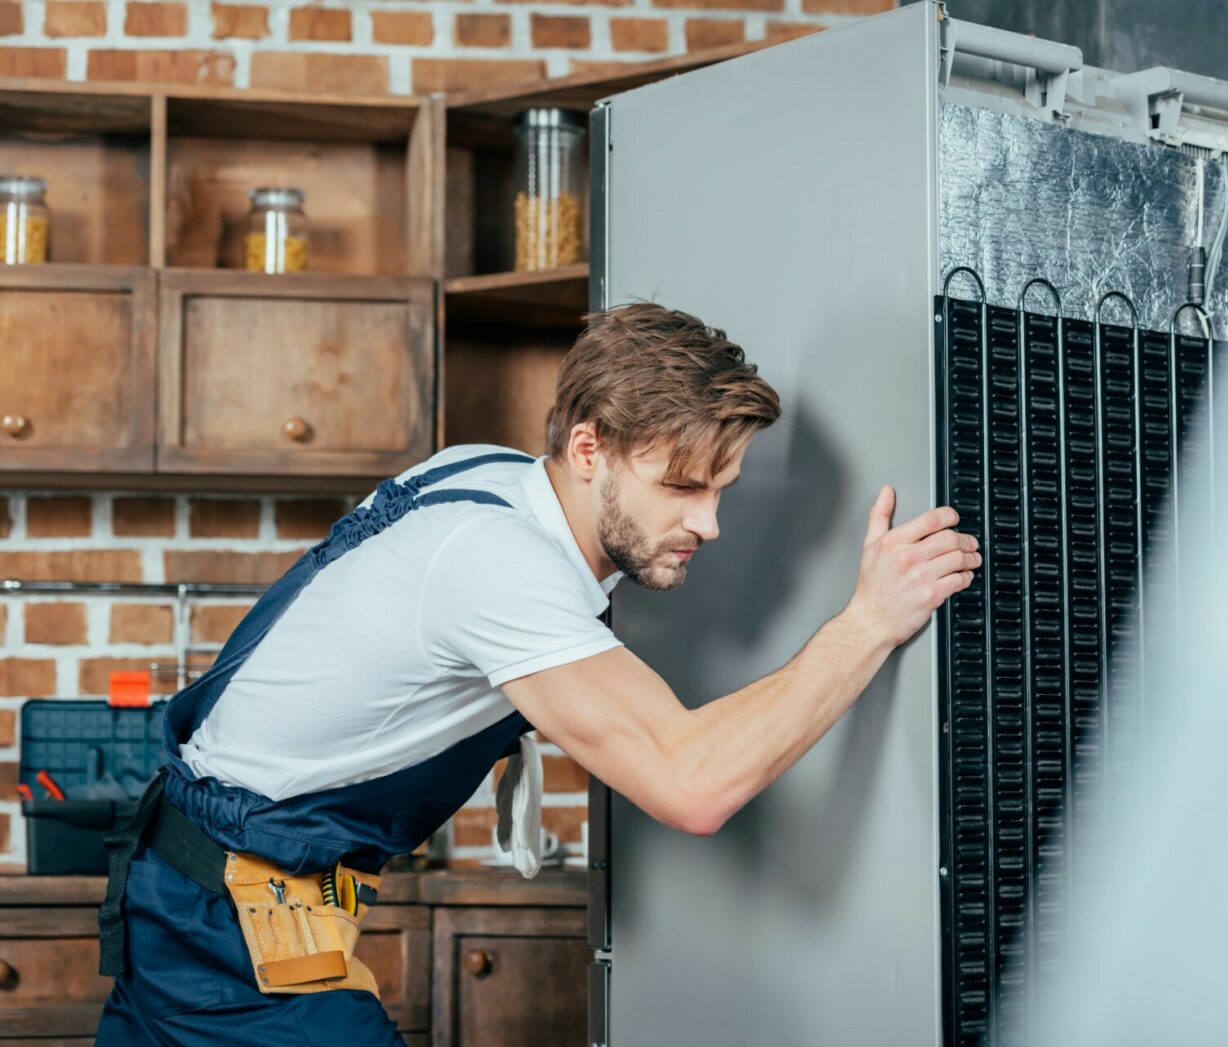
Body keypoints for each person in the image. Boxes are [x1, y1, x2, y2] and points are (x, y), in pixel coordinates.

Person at [95, 302, 981, 1044]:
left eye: (724, 489)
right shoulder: (500, 562)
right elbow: (692, 782)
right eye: (680, 486)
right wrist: (868, 621)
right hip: (224, 936)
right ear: (590, 448)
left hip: (187, 889)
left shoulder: (491, 475)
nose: (710, 523)